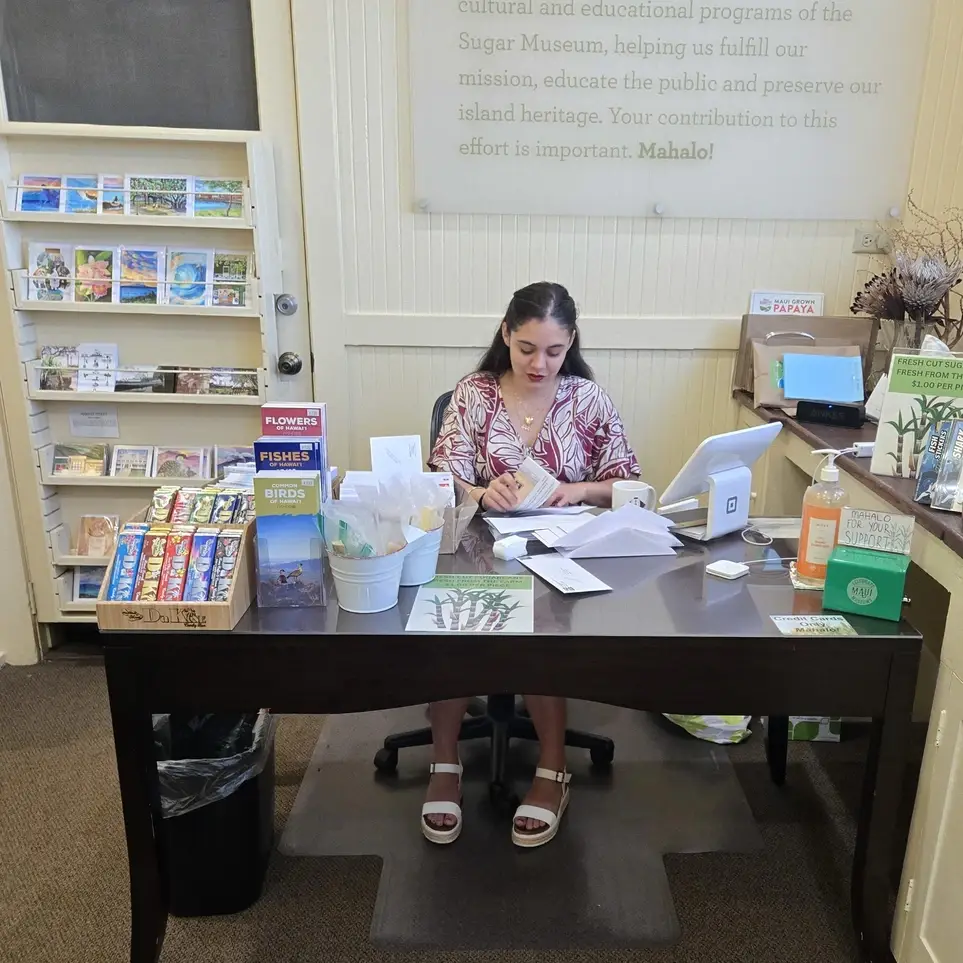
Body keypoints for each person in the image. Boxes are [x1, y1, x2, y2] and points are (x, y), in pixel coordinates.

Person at [425, 281, 641, 848]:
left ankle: (552, 770)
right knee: (449, 625)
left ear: (570, 343)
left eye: (553, 351)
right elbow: (437, 474)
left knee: (547, 631)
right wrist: (477, 489)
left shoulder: (587, 400)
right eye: (526, 349)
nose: (539, 364)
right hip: (476, 550)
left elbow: (628, 484)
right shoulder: (473, 393)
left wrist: (576, 490)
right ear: (505, 335)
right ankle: (444, 763)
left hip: (556, 554)